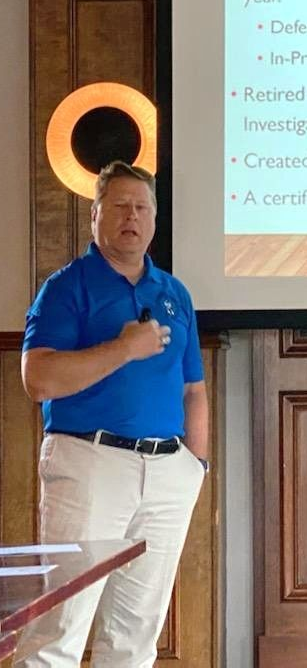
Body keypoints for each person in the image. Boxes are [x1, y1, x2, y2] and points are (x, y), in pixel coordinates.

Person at [16, 160, 208, 668]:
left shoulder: (174, 293)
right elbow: (39, 381)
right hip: (90, 463)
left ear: (154, 220)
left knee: (137, 633)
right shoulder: (65, 287)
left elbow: (194, 390)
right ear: (95, 216)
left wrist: (196, 467)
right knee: (61, 623)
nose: (132, 216)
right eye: (120, 206)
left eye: (142, 207)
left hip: (169, 472)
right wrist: (124, 348)